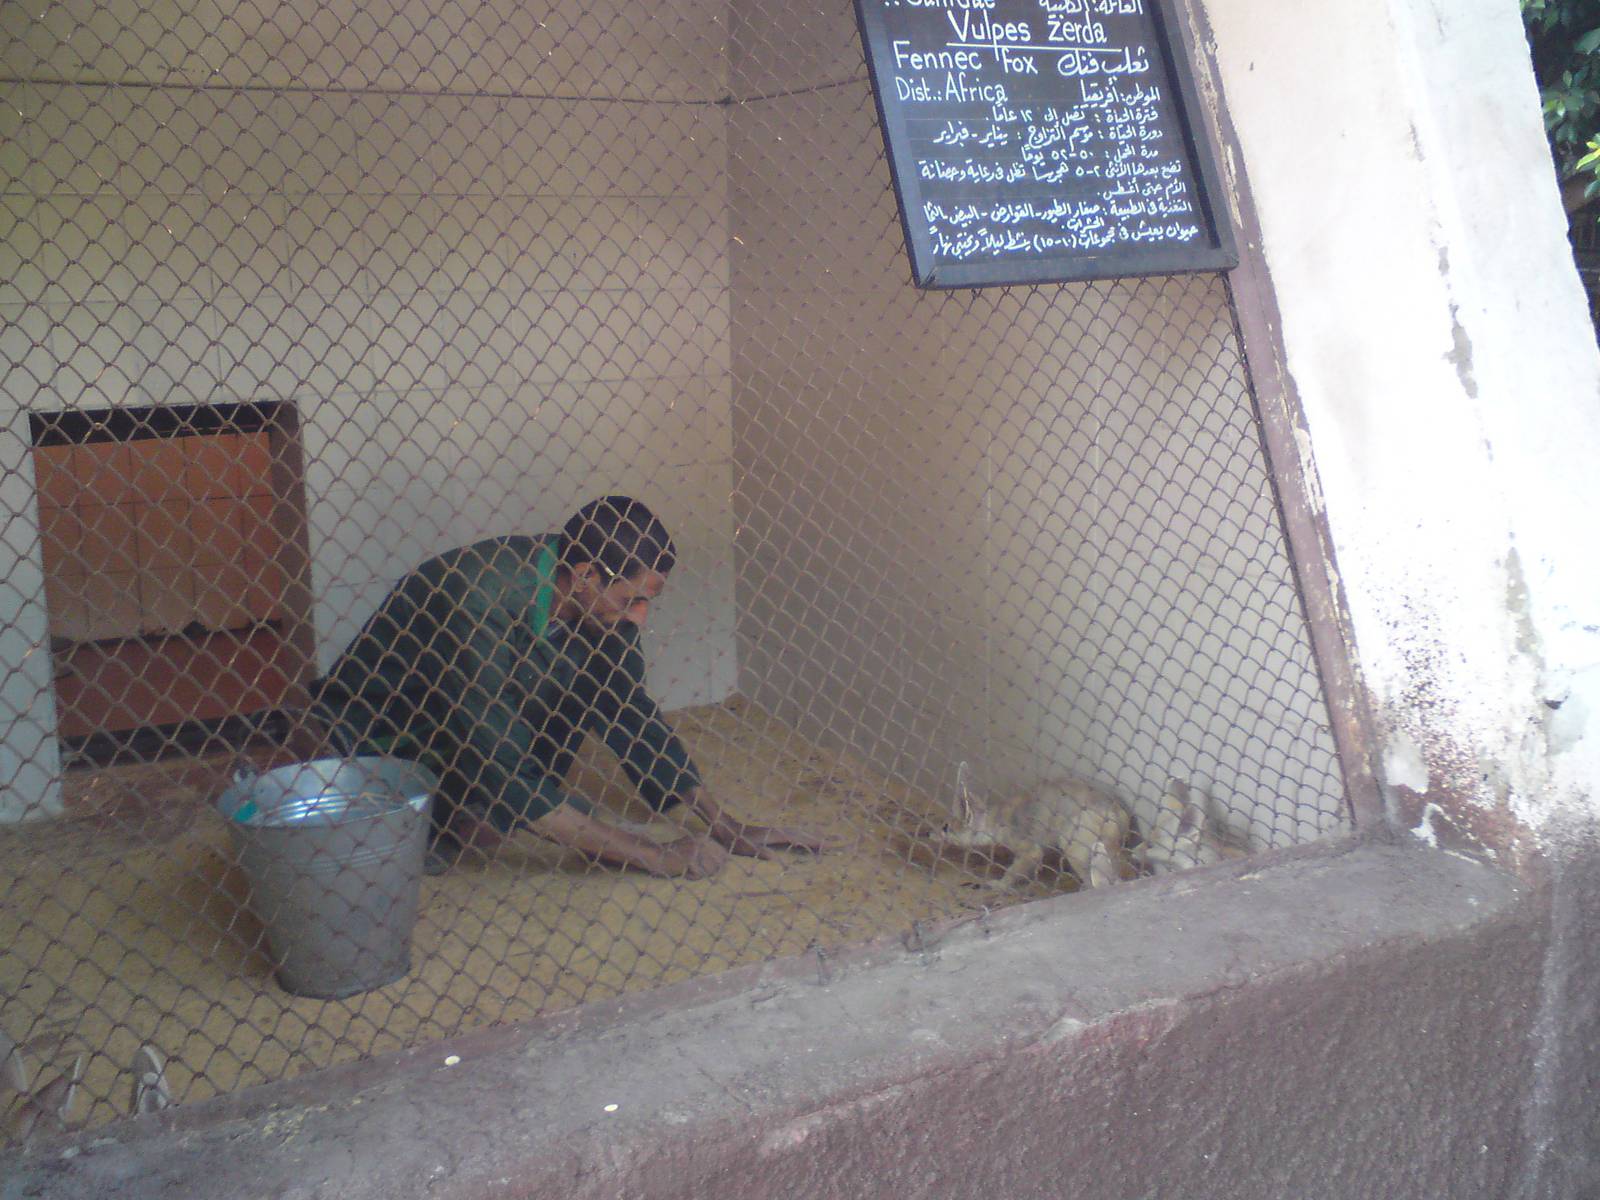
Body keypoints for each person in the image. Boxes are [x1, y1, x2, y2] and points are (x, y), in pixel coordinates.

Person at [308, 496, 830, 877]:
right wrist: (654, 855)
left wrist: (720, 822)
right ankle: (450, 815)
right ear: (585, 575)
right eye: (631, 600)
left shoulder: (598, 605)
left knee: (582, 692)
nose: (641, 619)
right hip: (382, 730)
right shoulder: (478, 596)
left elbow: (628, 708)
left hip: (470, 714)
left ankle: (481, 814)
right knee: (511, 786)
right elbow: (495, 748)